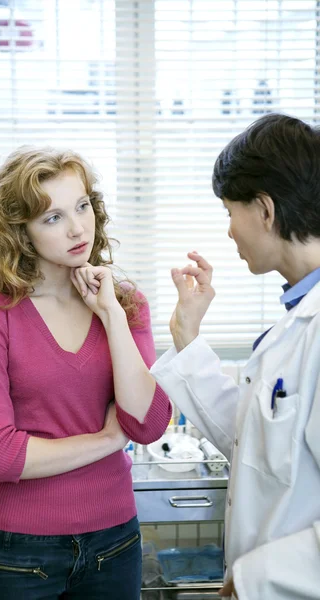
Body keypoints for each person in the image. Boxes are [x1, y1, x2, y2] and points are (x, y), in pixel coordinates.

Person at [0, 146, 171, 600]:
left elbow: (147, 424)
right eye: (51, 218)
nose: (77, 228)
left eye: (83, 206)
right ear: (19, 232)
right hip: (15, 552)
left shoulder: (125, 303)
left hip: (116, 543)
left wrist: (110, 315)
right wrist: (108, 439)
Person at [150, 114, 320, 600]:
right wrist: (187, 333)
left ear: (265, 210)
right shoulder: (296, 318)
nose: (229, 231)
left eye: (230, 210)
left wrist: (255, 579)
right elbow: (255, 445)